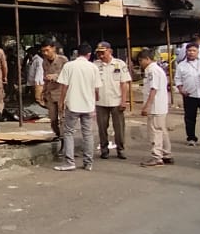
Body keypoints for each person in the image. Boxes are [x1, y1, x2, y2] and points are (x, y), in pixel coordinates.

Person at [53, 44, 101, 172]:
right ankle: (88, 163)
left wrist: (61, 102)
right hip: (88, 105)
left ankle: (70, 162)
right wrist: (94, 103)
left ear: (77, 53)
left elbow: (64, 86)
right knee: (88, 134)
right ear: (89, 54)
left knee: (69, 132)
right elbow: (96, 89)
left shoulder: (69, 66)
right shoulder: (93, 67)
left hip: (73, 105)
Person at [93, 41, 131, 160]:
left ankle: (121, 149)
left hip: (116, 100)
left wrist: (124, 101)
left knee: (119, 128)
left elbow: (124, 83)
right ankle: (104, 150)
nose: (100, 55)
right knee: (102, 127)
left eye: (103, 52)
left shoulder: (119, 64)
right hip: (100, 101)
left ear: (110, 51)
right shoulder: (95, 65)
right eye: (98, 53)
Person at [137, 49, 173, 167]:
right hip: (159, 105)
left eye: (141, 60)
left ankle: (157, 157)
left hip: (155, 106)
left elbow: (153, 89)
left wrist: (147, 106)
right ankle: (166, 154)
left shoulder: (152, 70)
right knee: (162, 130)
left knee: (155, 132)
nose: (140, 63)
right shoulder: (156, 70)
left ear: (147, 59)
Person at [37, 40, 68, 158]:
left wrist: (55, 76)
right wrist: (43, 91)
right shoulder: (44, 62)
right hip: (50, 93)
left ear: (53, 48)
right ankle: (59, 136)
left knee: (63, 120)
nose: (45, 53)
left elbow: (68, 76)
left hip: (61, 93)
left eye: (47, 50)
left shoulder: (63, 60)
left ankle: (65, 144)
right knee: (53, 120)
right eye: (43, 51)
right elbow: (45, 78)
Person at [175, 43, 200, 145]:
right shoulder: (181, 65)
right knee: (190, 118)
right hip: (189, 95)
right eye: (189, 51)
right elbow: (177, 79)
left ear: (198, 52)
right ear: (186, 52)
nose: (191, 53)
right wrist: (181, 90)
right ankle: (191, 138)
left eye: (194, 51)